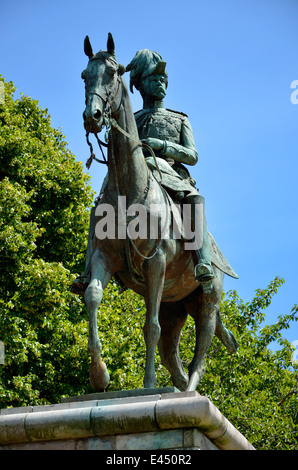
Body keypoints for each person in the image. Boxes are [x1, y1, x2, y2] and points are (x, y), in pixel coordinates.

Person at [126, 49, 214, 289]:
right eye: (153, 80)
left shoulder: (180, 119)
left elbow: (193, 155)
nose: (160, 84)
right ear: (141, 85)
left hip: (173, 174)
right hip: (139, 174)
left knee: (194, 200)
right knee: (102, 203)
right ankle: (94, 263)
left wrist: (162, 146)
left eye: (163, 80)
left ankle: (203, 261)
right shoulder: (132, 119)